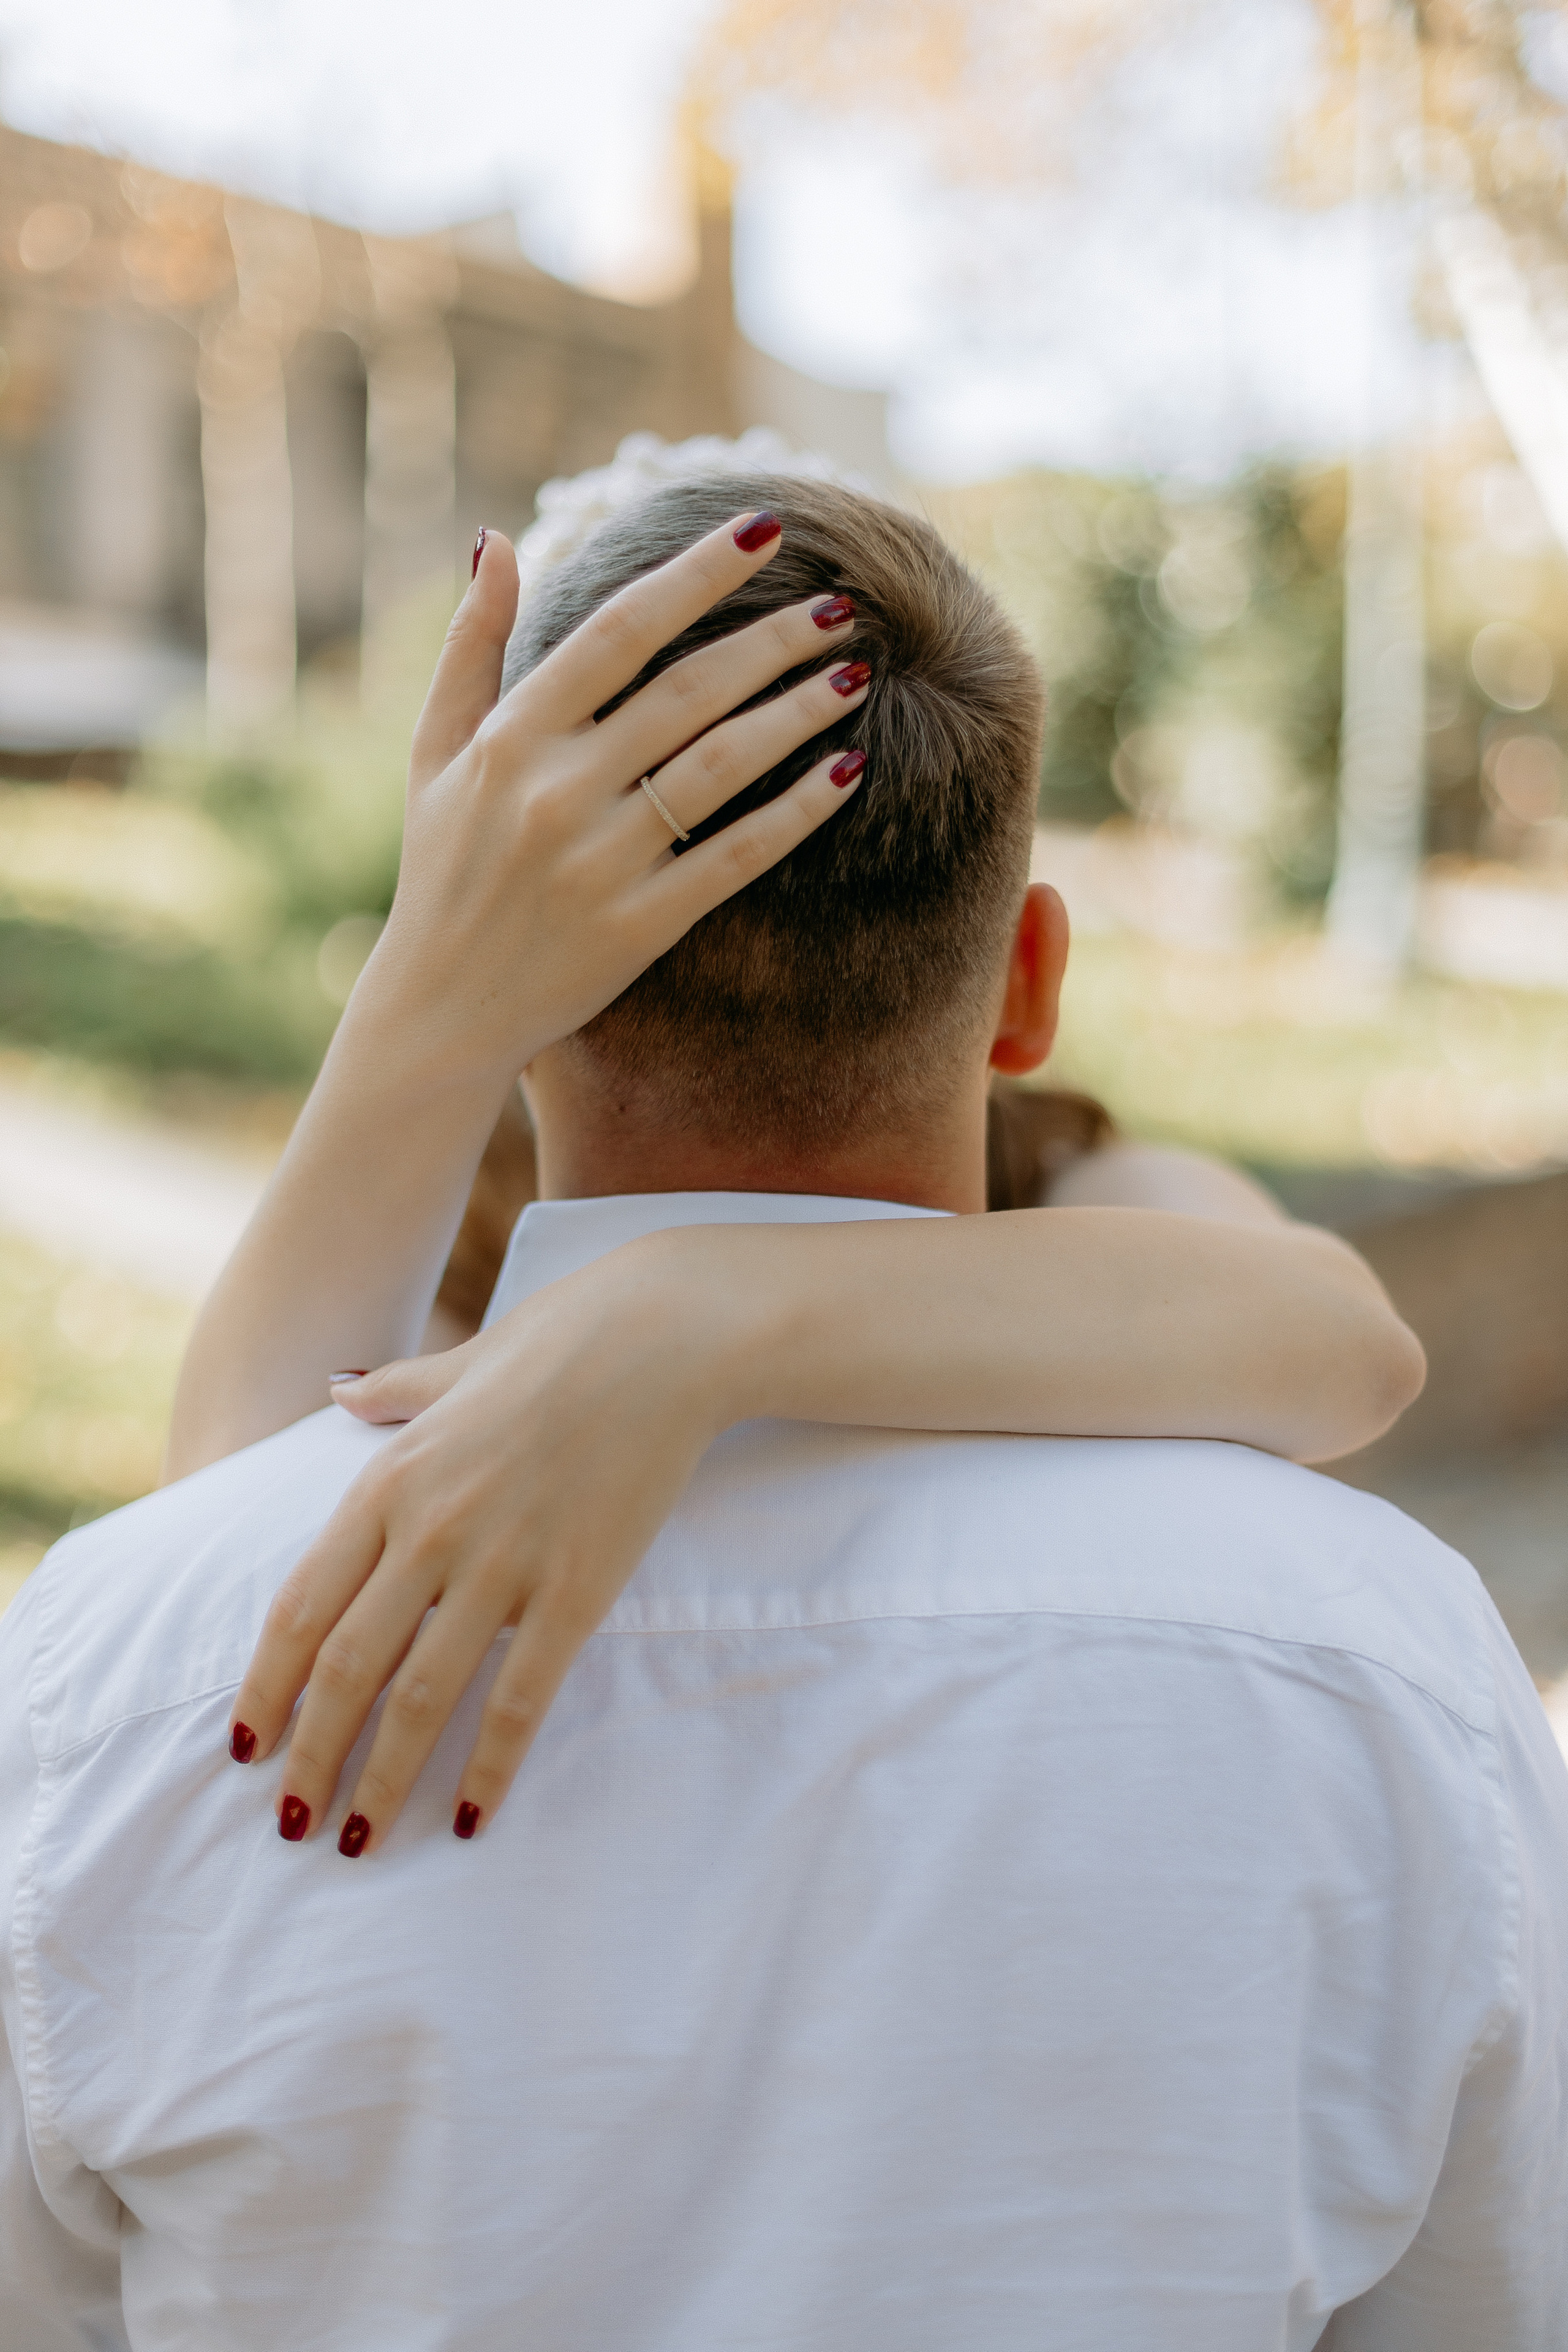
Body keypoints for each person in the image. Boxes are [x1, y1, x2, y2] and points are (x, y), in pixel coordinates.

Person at [2, 477, 1562, 2350]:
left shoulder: (111, 1675)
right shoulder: (1391, 1671)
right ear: (1031, 977)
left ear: (507, 978)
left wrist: (674, 1284)